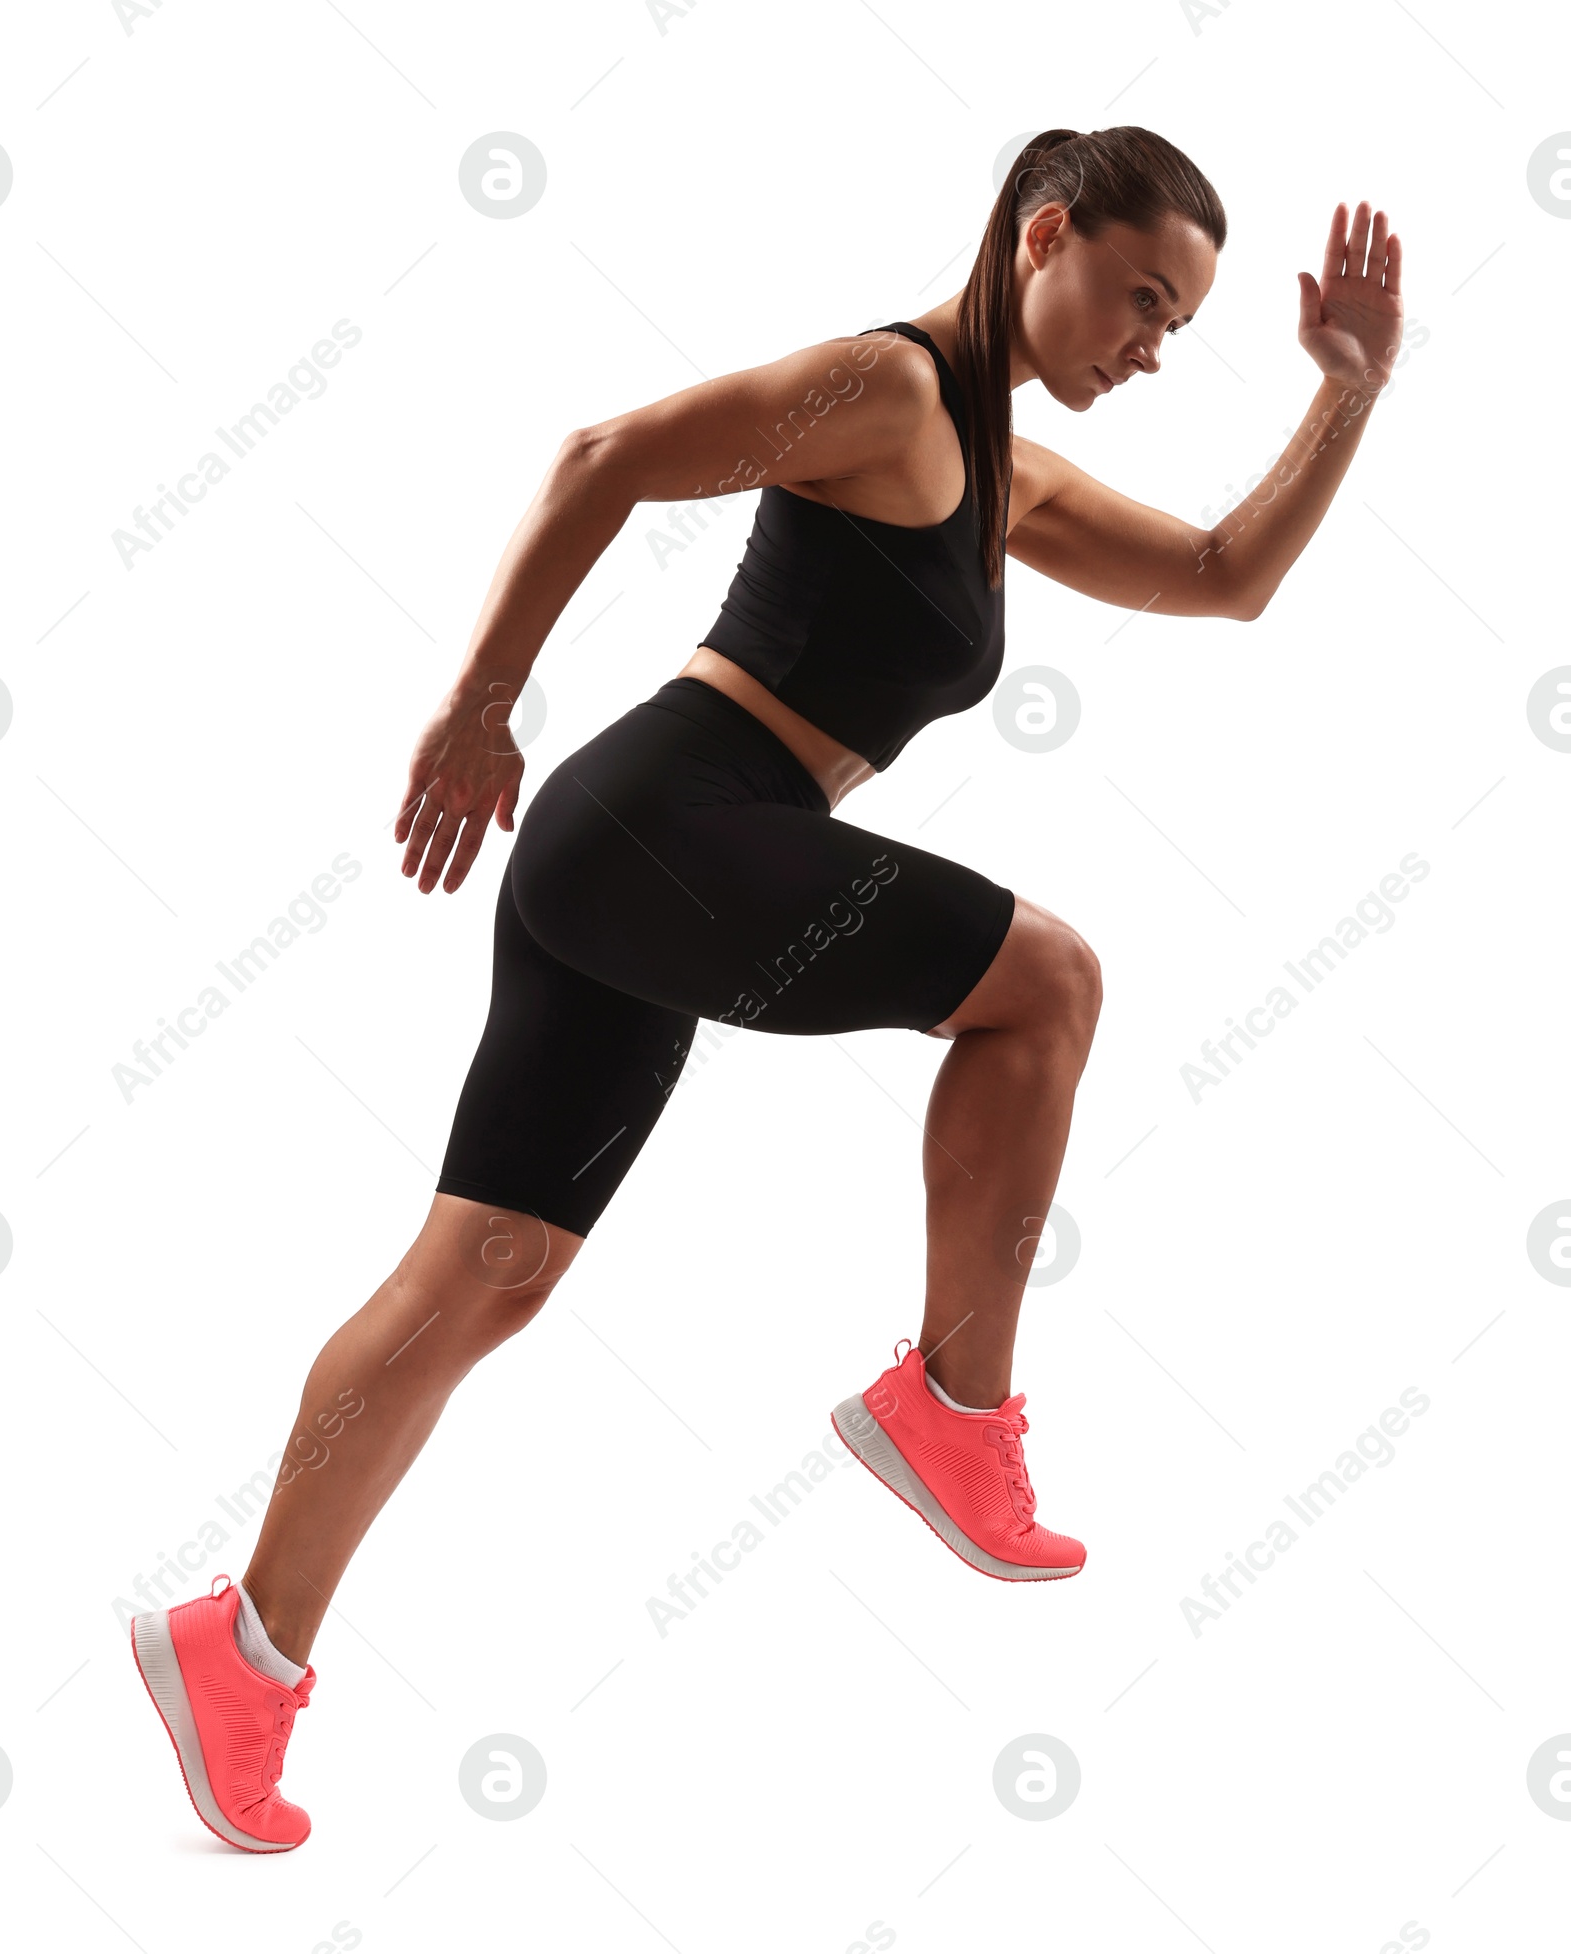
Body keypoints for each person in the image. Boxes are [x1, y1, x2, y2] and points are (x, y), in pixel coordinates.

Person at [129, 126, 1403, 1851]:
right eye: (1144, 297)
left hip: (656, 859)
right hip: (670, 818)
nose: (1154, 346)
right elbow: (611, 452)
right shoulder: (888, 390)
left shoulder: (1004, 471)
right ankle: (955, 1407)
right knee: (1047, 980)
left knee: (487, 1274)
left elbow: (1224, 578)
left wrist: (1345, 392)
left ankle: (244, 1647)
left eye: (1179, 324)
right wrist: (483, 700)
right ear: (1047, 236)